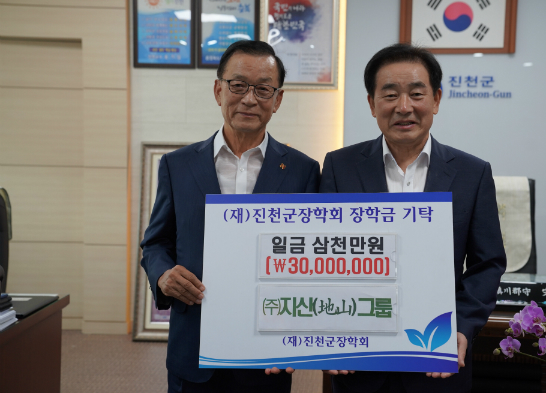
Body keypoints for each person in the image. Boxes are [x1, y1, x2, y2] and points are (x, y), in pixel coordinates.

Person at [319, 43, 506, 393]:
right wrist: (327, 329)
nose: (404, 107)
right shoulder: (339, 167)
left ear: (436, 100)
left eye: (416, 94)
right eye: (390, 95)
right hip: (359, 362)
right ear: (372, 104)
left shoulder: (472, 173)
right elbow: (324, 258)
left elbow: (488, 263)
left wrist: (462, 326)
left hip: (436, 358)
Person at [140, 40, 320, 393]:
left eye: (263, 89)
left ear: (277, 100)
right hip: (194, 345)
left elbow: (313, 258)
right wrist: (163, 275)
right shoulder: (177, 166)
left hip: (267, 352)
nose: (249, 99)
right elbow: (156, 242)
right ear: (218, 90)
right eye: (238, 86)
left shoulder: (304, 171)